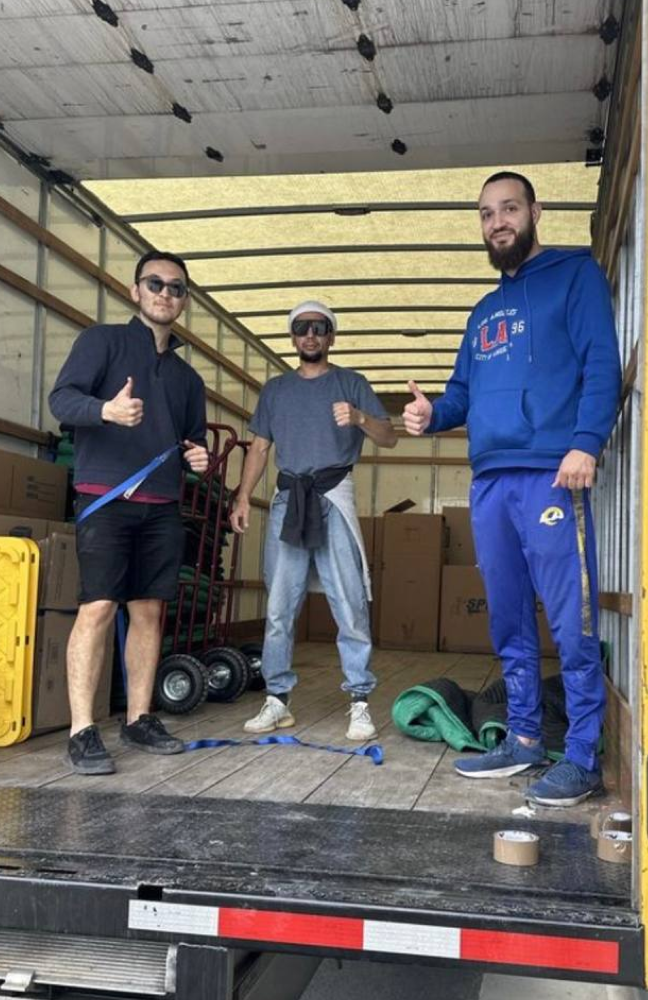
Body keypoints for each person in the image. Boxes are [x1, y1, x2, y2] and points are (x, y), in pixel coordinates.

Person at [403, 172, 621, 806]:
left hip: (553, 470)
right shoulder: (482, 313)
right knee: (507, 619)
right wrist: (431, 415)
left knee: (571, 620)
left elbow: (602, 362)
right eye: (486, 214)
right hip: (490, 480)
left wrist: (586, 442)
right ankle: (523, 738)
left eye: (508, 209)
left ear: (535, 212)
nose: (497, 222)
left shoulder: (575, 276)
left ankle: (582, 756)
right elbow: (462, 396)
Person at [49, 250, 210, 775]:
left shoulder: (189, 379)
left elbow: (192, 439)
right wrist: (106, 410)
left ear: (185, 301)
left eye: (177, 287)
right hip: (105, 499)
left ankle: (139, 718)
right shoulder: (102, 341)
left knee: (149, 612)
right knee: (97, 608)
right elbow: (61, 400)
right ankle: (82, 730)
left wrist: (198, 455)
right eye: (156, 283)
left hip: (162, 506)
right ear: (135, 290)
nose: (166, 293)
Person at [230, 301, 396, 740]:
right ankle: (276, 700)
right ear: (292, 337)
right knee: (280, 606)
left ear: (331, 336)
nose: (310, 335)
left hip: (333, 495)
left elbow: (390, 436)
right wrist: (243, 496)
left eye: (319, 328)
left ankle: (359, 701)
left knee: (349, 604)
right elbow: (260, 448)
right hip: (289, 499)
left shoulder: (351, 383)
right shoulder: (276, 390)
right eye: (302, 328)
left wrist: (360, 418)